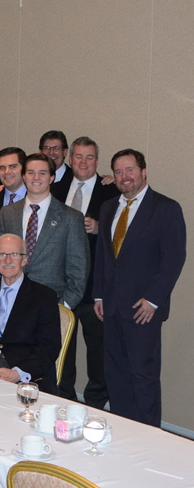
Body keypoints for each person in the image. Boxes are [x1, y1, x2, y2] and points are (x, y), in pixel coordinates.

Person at [94, 149, 186, 426]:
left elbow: (174, 259)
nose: (125, 177)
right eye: (119, 172)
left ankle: (149, 437)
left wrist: (154, 300)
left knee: (143, 377)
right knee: (116, 375)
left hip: (142, 309)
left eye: (130, 170)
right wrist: (98, 294)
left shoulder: (166, 208)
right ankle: (124, 431)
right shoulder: (109, 207)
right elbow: (102, 256)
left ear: (143, 172)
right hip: (110, 307)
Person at [56, 137, 120, 406]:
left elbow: (123, 238)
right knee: (62, 353)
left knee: (98, 354)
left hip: (95, 289)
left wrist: (101, 228)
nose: (83, 162)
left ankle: (95, 405)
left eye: (89, 157)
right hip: (61, 286)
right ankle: (64, 400)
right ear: (70, 160)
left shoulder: (112, 192)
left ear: (97, 161)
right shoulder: (57, 189)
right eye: (78, 157)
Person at [0, 153, 89, 310]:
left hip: (52, 306)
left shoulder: (71, 218)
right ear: (24, 176)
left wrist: (62, 309)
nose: (36, 177)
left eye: (42, 173)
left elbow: (78, 273)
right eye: (31, 172)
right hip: (8, 304)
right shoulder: (7, 213)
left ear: (51, 178)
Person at [0, 233, 60, 393]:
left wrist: (17, 373)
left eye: (14, 255)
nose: (8, 260)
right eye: (2, 255)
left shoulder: (44, 297)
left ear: (25, 260)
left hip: (25, 375)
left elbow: (49, 347)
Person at [0, 147, 26, 223]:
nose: (7, 172)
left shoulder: (36, 198)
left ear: (24, 168)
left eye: (13, 167)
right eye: (2, 168)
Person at [40, 130, 73, 195]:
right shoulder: (35, 179)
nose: (51, 152)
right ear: (41, 152)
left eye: (56, 148)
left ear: (65, 152)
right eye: (47, 148)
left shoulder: (74, 179)